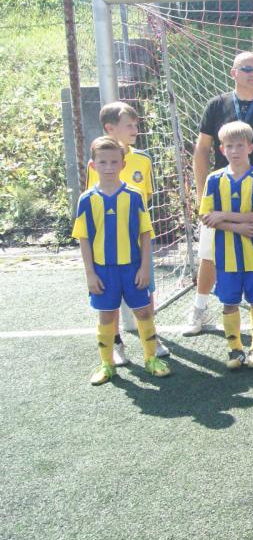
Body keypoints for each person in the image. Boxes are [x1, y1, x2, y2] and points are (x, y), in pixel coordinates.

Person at [186, 51, 253, 336]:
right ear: (233, 73)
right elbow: (202, 150)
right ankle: (199, 308)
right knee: (209, 253)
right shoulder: (216, 106)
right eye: (248, 69)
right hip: (222, 194)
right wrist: (202, 194)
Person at [74, 137, 170, 385]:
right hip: (103, 271)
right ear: (93, 166)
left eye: (114, 162)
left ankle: (151, 359)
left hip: (132, 267)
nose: (109, 167)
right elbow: (83, 238)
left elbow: (146, 233)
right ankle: (107, 364)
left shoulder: (134, 196)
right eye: (103, 162)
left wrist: (145, 267)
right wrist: (89, 273)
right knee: (107, 317)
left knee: (144, 312)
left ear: (123, 164)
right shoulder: (86, 199)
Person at [199, 121, 253, 371]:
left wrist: (223, 215)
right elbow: (207, 216)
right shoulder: (213, 180)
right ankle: (235, 349)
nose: (234, 151)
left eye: (240, 146)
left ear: (250, 147)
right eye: (229, 146)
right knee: (229, 303)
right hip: (225, 256)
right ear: (222, 149)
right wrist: (237, 227)